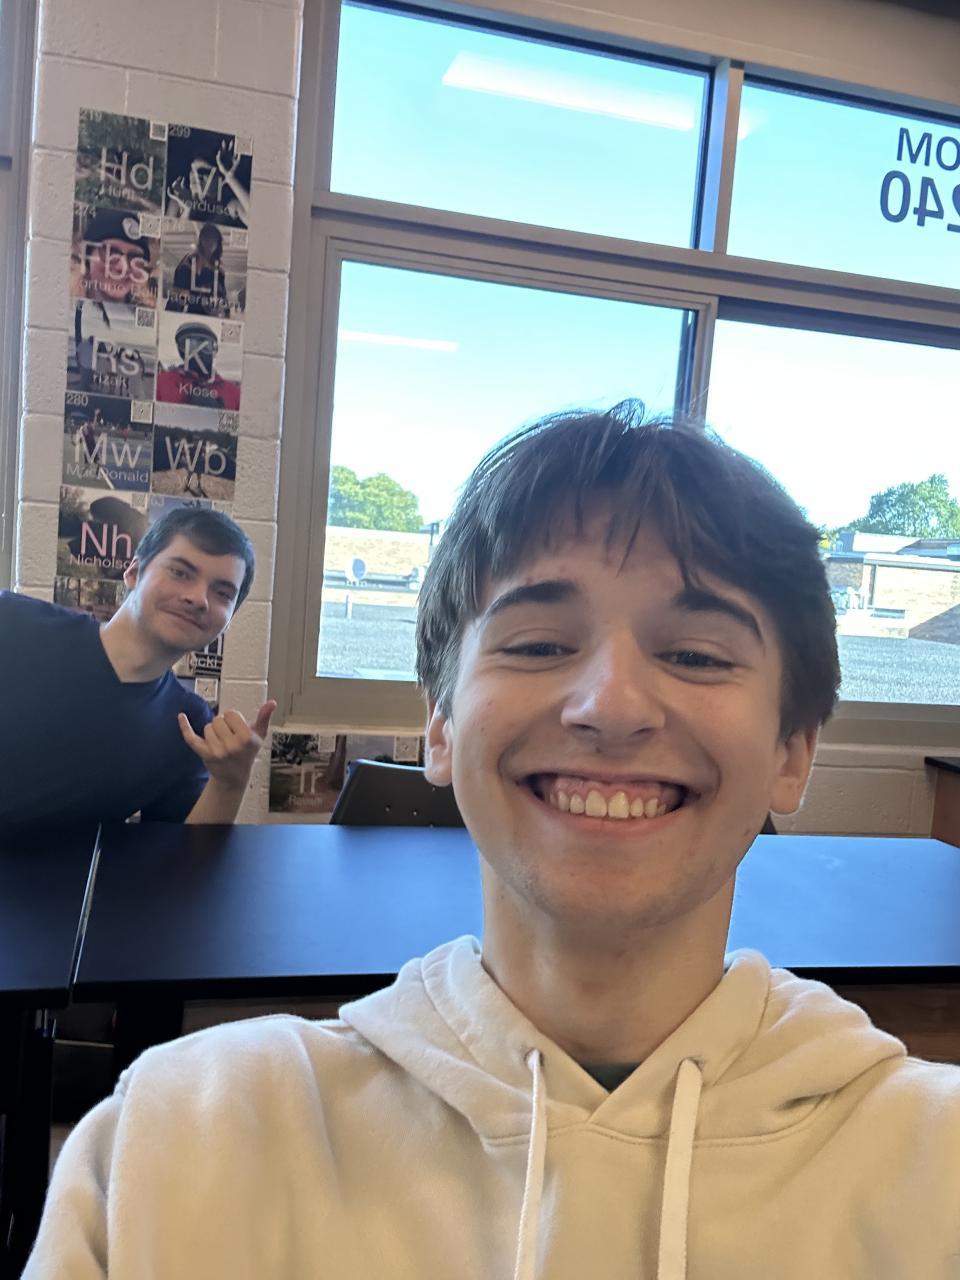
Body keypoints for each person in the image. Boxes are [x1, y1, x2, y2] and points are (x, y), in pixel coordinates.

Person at [24, 402, 960, 1278]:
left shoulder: (934, 1168)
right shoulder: (172, 1148)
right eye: (540, 644)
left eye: (696, 655)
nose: (611, 706)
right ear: (439, 725)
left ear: (793, 753)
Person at [1, 506, 274, 827]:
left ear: (228, 619)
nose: (199, 598)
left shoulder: (187, 724)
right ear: (133, 573)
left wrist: (230, 783)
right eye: (180, 573)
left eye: (222, 593)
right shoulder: (14, 623)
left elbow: (184, 853)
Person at [155, 321, 241, 411]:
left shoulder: (233, 393)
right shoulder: (162, 383)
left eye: (206, 346)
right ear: (181, 350)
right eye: (190, 345)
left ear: (214, 350)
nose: (198, 352)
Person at [166, 223, 230, 317]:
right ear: (201, 239)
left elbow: (223, 300)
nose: (210, 243)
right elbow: (176, 296)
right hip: (189, 315)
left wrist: (224, 313)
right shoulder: (188, 262)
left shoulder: (219, 272)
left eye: (213, 240)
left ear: (217, 243)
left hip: (210, 316)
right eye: (207, 238)